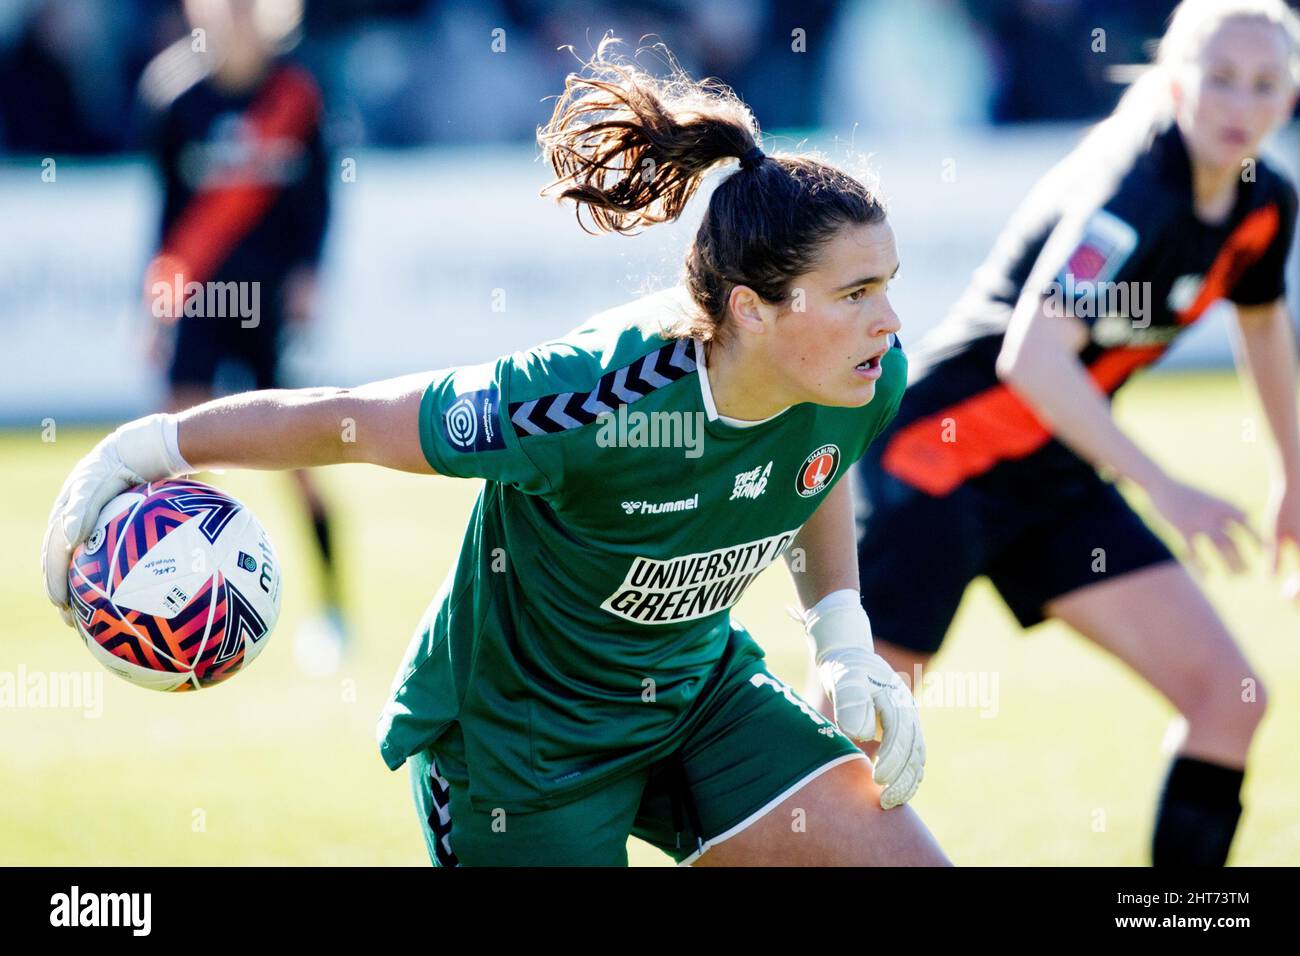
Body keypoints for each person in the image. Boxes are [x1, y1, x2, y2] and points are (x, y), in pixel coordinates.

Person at [44, 41, 945, 867]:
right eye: (857, 291)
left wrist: (840, 643)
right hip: (519, 747)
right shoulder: (587, 399)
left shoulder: (863, 377)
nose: (891, 320)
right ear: (751, 307)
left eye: (889, 286)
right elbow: (352, 418)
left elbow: (810, 468)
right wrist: (151, 443)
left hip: (699, 694)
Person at [811, 0, 1300, 866]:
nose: (1241, 102)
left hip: (1051, 467)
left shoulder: (1266, 200)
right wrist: (1166, 485)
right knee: (849, 746)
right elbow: (1032, 357)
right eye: (1219, 77)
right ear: (1173, 76)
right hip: (942, 459)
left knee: (1231, 696)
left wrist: (1294, 477)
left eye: (1265, 83)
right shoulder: (1133, 194)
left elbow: (1261, 324)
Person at [137, 0, 346, 674]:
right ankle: (175, 606)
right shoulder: (176, 100)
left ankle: (333, 607)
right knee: (172, 451)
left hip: (270, 305)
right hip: (200, 299)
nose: (239, 18)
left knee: (300, 457)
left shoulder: (298, 95)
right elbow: (166, 216)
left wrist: (310, 274)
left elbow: (320, 201)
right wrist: (155, 306)